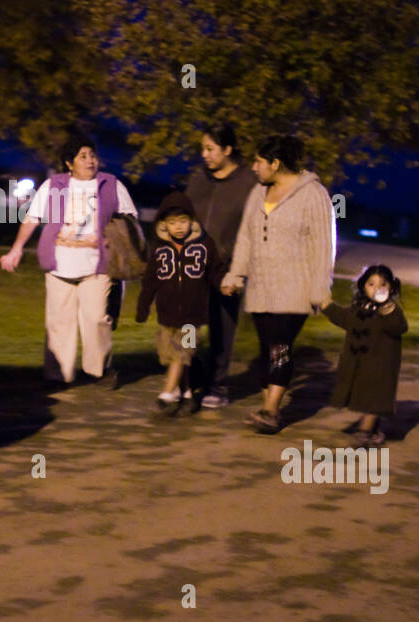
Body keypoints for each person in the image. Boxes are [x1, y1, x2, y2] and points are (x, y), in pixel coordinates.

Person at [0, 134, 139, 386]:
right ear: (69, 163)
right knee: (59, 323)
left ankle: (99, 371)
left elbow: (130, 218)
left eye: (93, 155)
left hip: (98, 266)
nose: (90, 160)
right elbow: (32, 218)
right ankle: (58, 375)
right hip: (59, 266)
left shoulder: (111, 184)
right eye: (82, 156)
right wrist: (16, 248)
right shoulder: (54, 186)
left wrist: (115, 238)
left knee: (96, 319)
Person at [220, 134, 336, 434]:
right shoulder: (257, 193)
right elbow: (245, 237)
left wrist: (320, 290)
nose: (254, 167)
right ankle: (267, 406)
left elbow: (323, 246)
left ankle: (271, 410)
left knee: (279, 347)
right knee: (266, 348)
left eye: (259, 162)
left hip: (294, 289)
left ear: (276, 163)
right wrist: (236, 275)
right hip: (261, 288)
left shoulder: (314, 194)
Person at [185, 123, 259, 408]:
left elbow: (251, 226)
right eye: (203, 148)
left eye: (210, 149)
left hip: (227, 267)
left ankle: (218, 386)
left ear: (228, 150)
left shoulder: (249, 183)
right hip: (192, 265)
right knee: (188, 325)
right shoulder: (198, 178)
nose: (205, 154)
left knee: (221, 328)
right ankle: (189, 379)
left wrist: (238, 264)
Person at [134, 192, 224, 416]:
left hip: (194, 317)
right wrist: (143, 307)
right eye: (173, 223)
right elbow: (150, 281)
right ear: (163, 224)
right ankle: (186, 395)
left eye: (183, 221)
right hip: (167, 315)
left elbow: (216, 271)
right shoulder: (159, 249)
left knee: (182, 352)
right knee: (169, 355)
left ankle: (166, 392)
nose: (179, 227)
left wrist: (225, 284)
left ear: (192, 220)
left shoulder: (205, 245)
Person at [319, 265, 407, 447]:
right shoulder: (359, 308)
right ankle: (373, 428)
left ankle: (365, 431)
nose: (377, 288)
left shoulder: (390, 310)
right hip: (360, 363)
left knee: (375, 396)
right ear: (363, 287)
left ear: (391, 287)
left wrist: (386, 307)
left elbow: (399, 326)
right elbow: (344, 318)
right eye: (371, 284)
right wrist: (327, 306)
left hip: (381, 363)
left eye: (383, 284)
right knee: (364, 394)